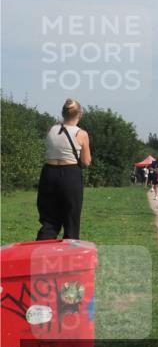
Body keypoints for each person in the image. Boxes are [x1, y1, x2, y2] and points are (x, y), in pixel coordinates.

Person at [36, 98, 92, 240]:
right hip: (70, 174)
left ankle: (40, 256)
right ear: (80, 114)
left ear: (63, 113)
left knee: (49, 221)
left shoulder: (51, 129)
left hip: (48, 173)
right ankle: (69, 256)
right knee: (71, 220)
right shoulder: (81, 134)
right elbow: (86, 162)